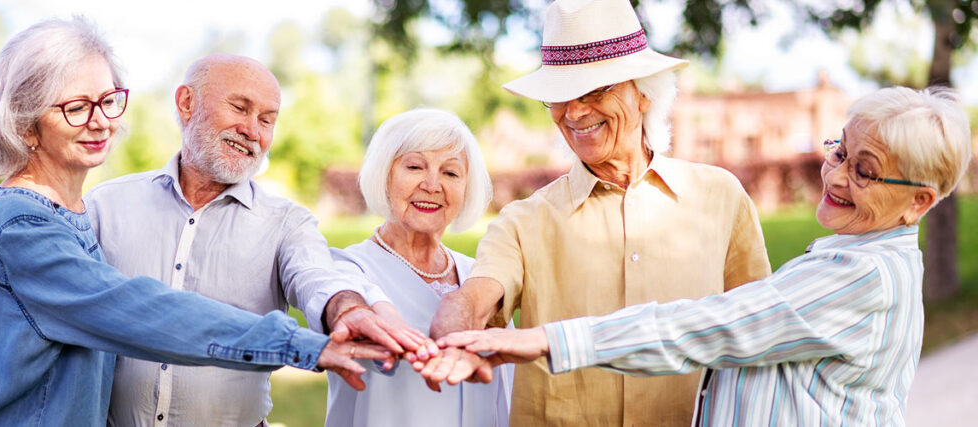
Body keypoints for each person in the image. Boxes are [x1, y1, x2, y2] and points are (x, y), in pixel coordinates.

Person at [0, 18, 401, 426]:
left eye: (108, 101)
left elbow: (316, 274)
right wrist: (304, 345)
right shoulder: (39, 220)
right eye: (75, 107)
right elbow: (134, 310)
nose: (100, 121)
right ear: (26, 124)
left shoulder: (70, 215)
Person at [440, 86, 973, 427]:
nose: (835, 175)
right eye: (838, 151)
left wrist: (541, 339)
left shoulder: (858, 276)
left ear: (919, 203)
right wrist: (450, 330)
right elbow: (481, 290)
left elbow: (717, 325)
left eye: (865, 169)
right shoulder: (848, 259)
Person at [422, 0, 771, 425]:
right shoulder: (522, 221)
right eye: (558, 97)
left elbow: (760, 326)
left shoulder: (720, 197)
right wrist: (454, 328)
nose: (573, 112)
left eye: (594, 91)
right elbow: (477, 298)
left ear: (643, 93)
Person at [324, 109, 512, 427]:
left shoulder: (481, 276)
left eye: (451, 173)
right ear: (385, 175)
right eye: (414, 167)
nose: (432, 184)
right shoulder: (346, 269)